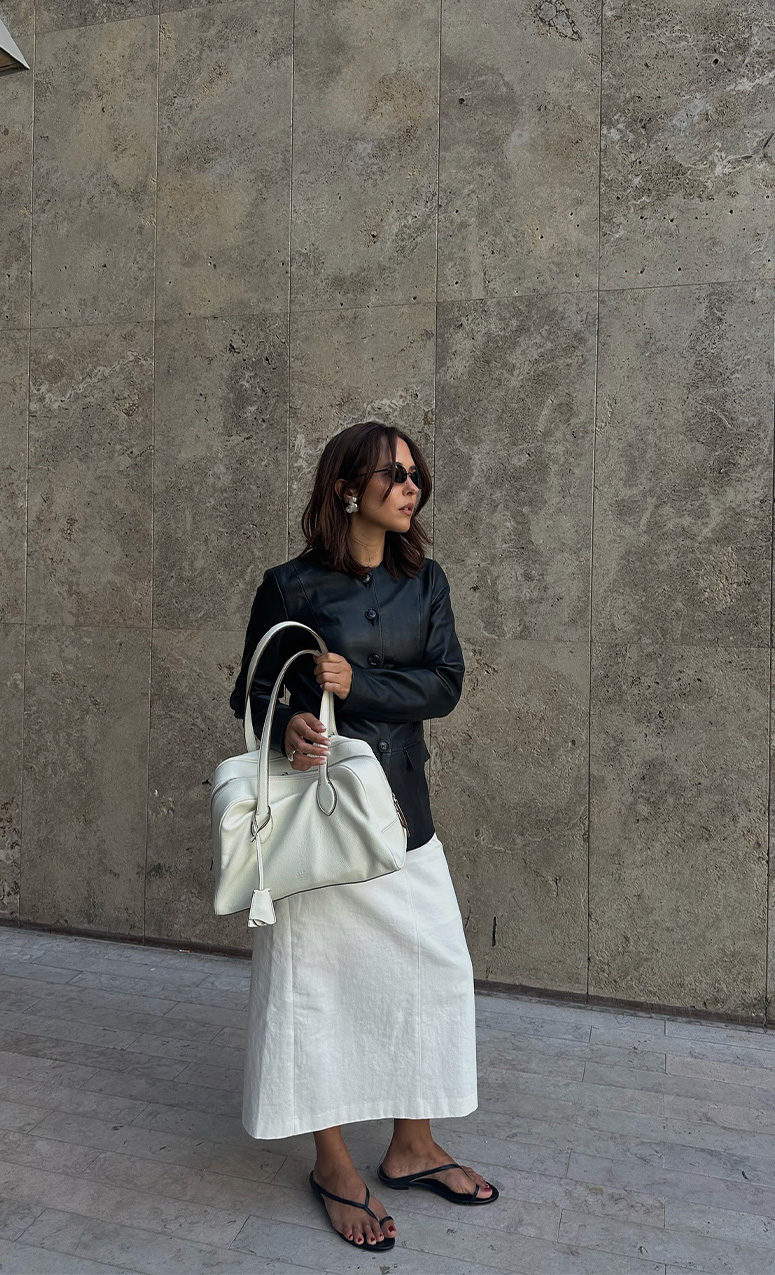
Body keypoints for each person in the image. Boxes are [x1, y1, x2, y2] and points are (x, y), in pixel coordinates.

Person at [229, 421, 498, 1253]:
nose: (410, 486)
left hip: (405, 818)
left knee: (432, 972)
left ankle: (412, 1146)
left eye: (416, 473)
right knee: (317, 991)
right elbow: (251, 693)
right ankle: (334, 1163)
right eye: (392, 473)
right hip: (323, 825)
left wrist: (362, 680)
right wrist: (293, 729)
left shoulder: (428, 581)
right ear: (348, 488)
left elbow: (446, 683)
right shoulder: (290, 586)